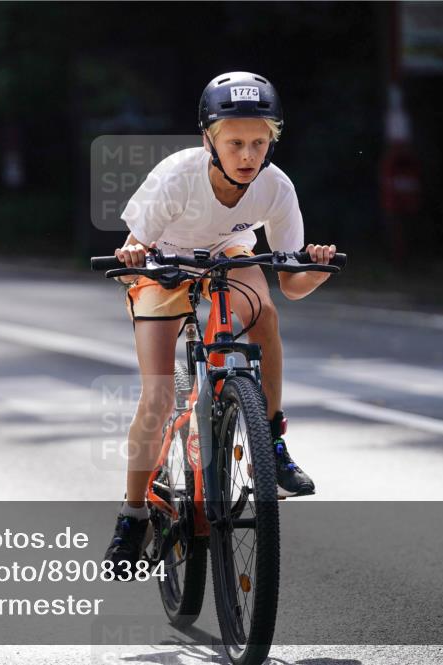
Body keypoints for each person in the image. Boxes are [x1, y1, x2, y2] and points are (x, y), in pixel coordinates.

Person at [104, 72, 340, 569]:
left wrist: (315, 270)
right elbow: (133, 250)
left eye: (259, 143)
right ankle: (133, 514)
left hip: (228, 254)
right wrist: (133, 258)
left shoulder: (275, 188)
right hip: (164, 260)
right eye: (235, 143)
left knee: (266, 311)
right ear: (208, 141)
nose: (248, 155)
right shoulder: (177, 177)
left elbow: (292, 285)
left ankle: (270, 439)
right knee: (158, 395)